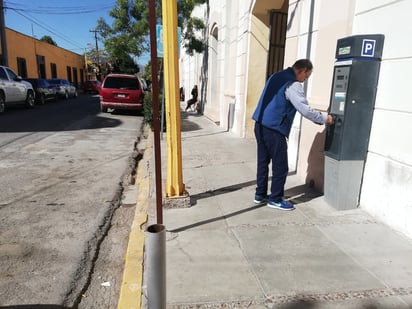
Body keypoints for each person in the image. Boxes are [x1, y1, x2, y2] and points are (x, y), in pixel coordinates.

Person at [252, 59, 334, 211]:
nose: (304, 81)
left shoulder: (276, 76)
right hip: (274, 129)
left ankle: (260, 194)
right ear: (302, 70)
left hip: (260, 124)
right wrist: (325, 118)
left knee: (263, 162)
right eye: (306, 76)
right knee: (281, 166)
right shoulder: (292, 84)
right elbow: (305, 109)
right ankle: (275, 199)